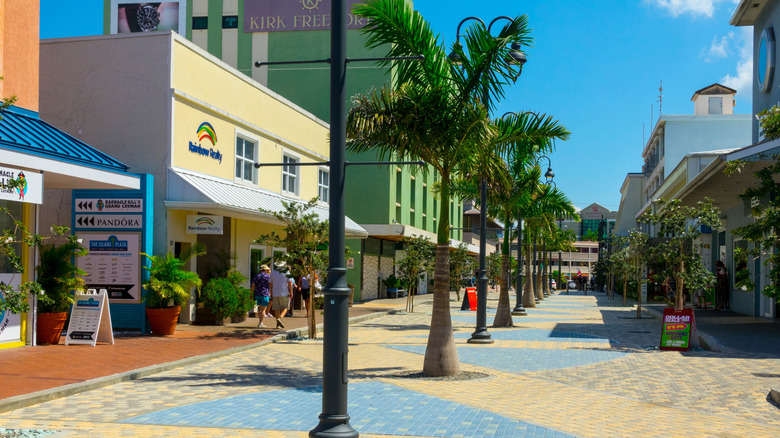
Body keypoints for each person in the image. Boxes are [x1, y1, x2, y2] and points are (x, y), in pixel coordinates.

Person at [269, 261, 293, 329]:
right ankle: (280, 318)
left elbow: (270, 283)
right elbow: (290, 282)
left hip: (275, 293)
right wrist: (291, 291)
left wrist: (271, 292)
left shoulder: (273, 272)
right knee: (285, 307)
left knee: (277, 308)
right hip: (284, 292)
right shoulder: (286, 272)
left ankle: (278, 324)